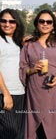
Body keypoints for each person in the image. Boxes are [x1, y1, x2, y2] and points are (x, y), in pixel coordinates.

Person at [19, 9, 56, 139]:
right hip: (36, 92)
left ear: (53, 25)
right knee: (37, 129)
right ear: (37, 24)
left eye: (49, 21)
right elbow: (22, 68)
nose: (45, 24)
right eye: (42, 21)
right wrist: (33, 69)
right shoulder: (29, 45)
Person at [0, 9, 25, 139]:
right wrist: (5, 93)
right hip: (4, 94)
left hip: (20, 93)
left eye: (11, 21)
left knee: (19, 133)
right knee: (10, 131)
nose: (7, 24)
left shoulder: (19, 42)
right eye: (3, 21)